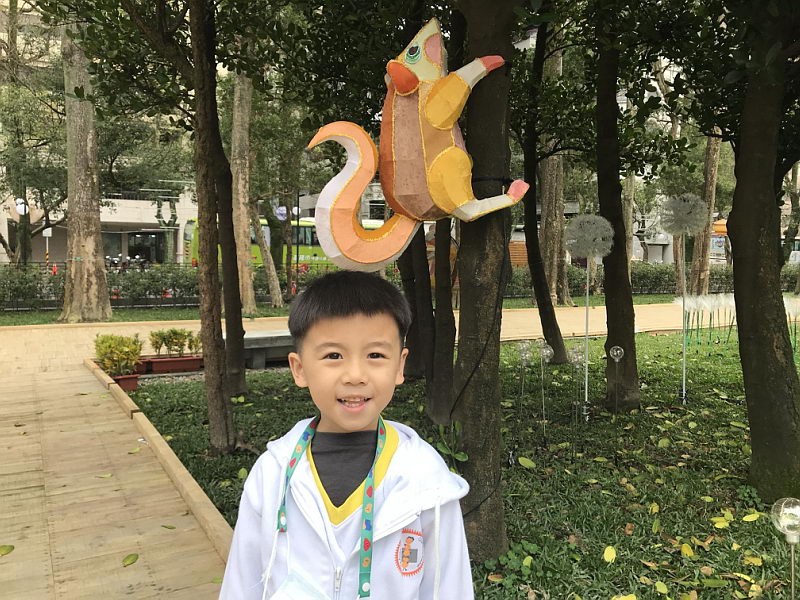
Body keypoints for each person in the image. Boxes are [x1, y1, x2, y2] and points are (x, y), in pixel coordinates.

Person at [220, 270, 473, 600]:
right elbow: (241, 583)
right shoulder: (272, 474)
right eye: (333, 356)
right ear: (299, 368)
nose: (355, 375)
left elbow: (450, 588)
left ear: (399, 366)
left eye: (375, 355)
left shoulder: (428, 481)